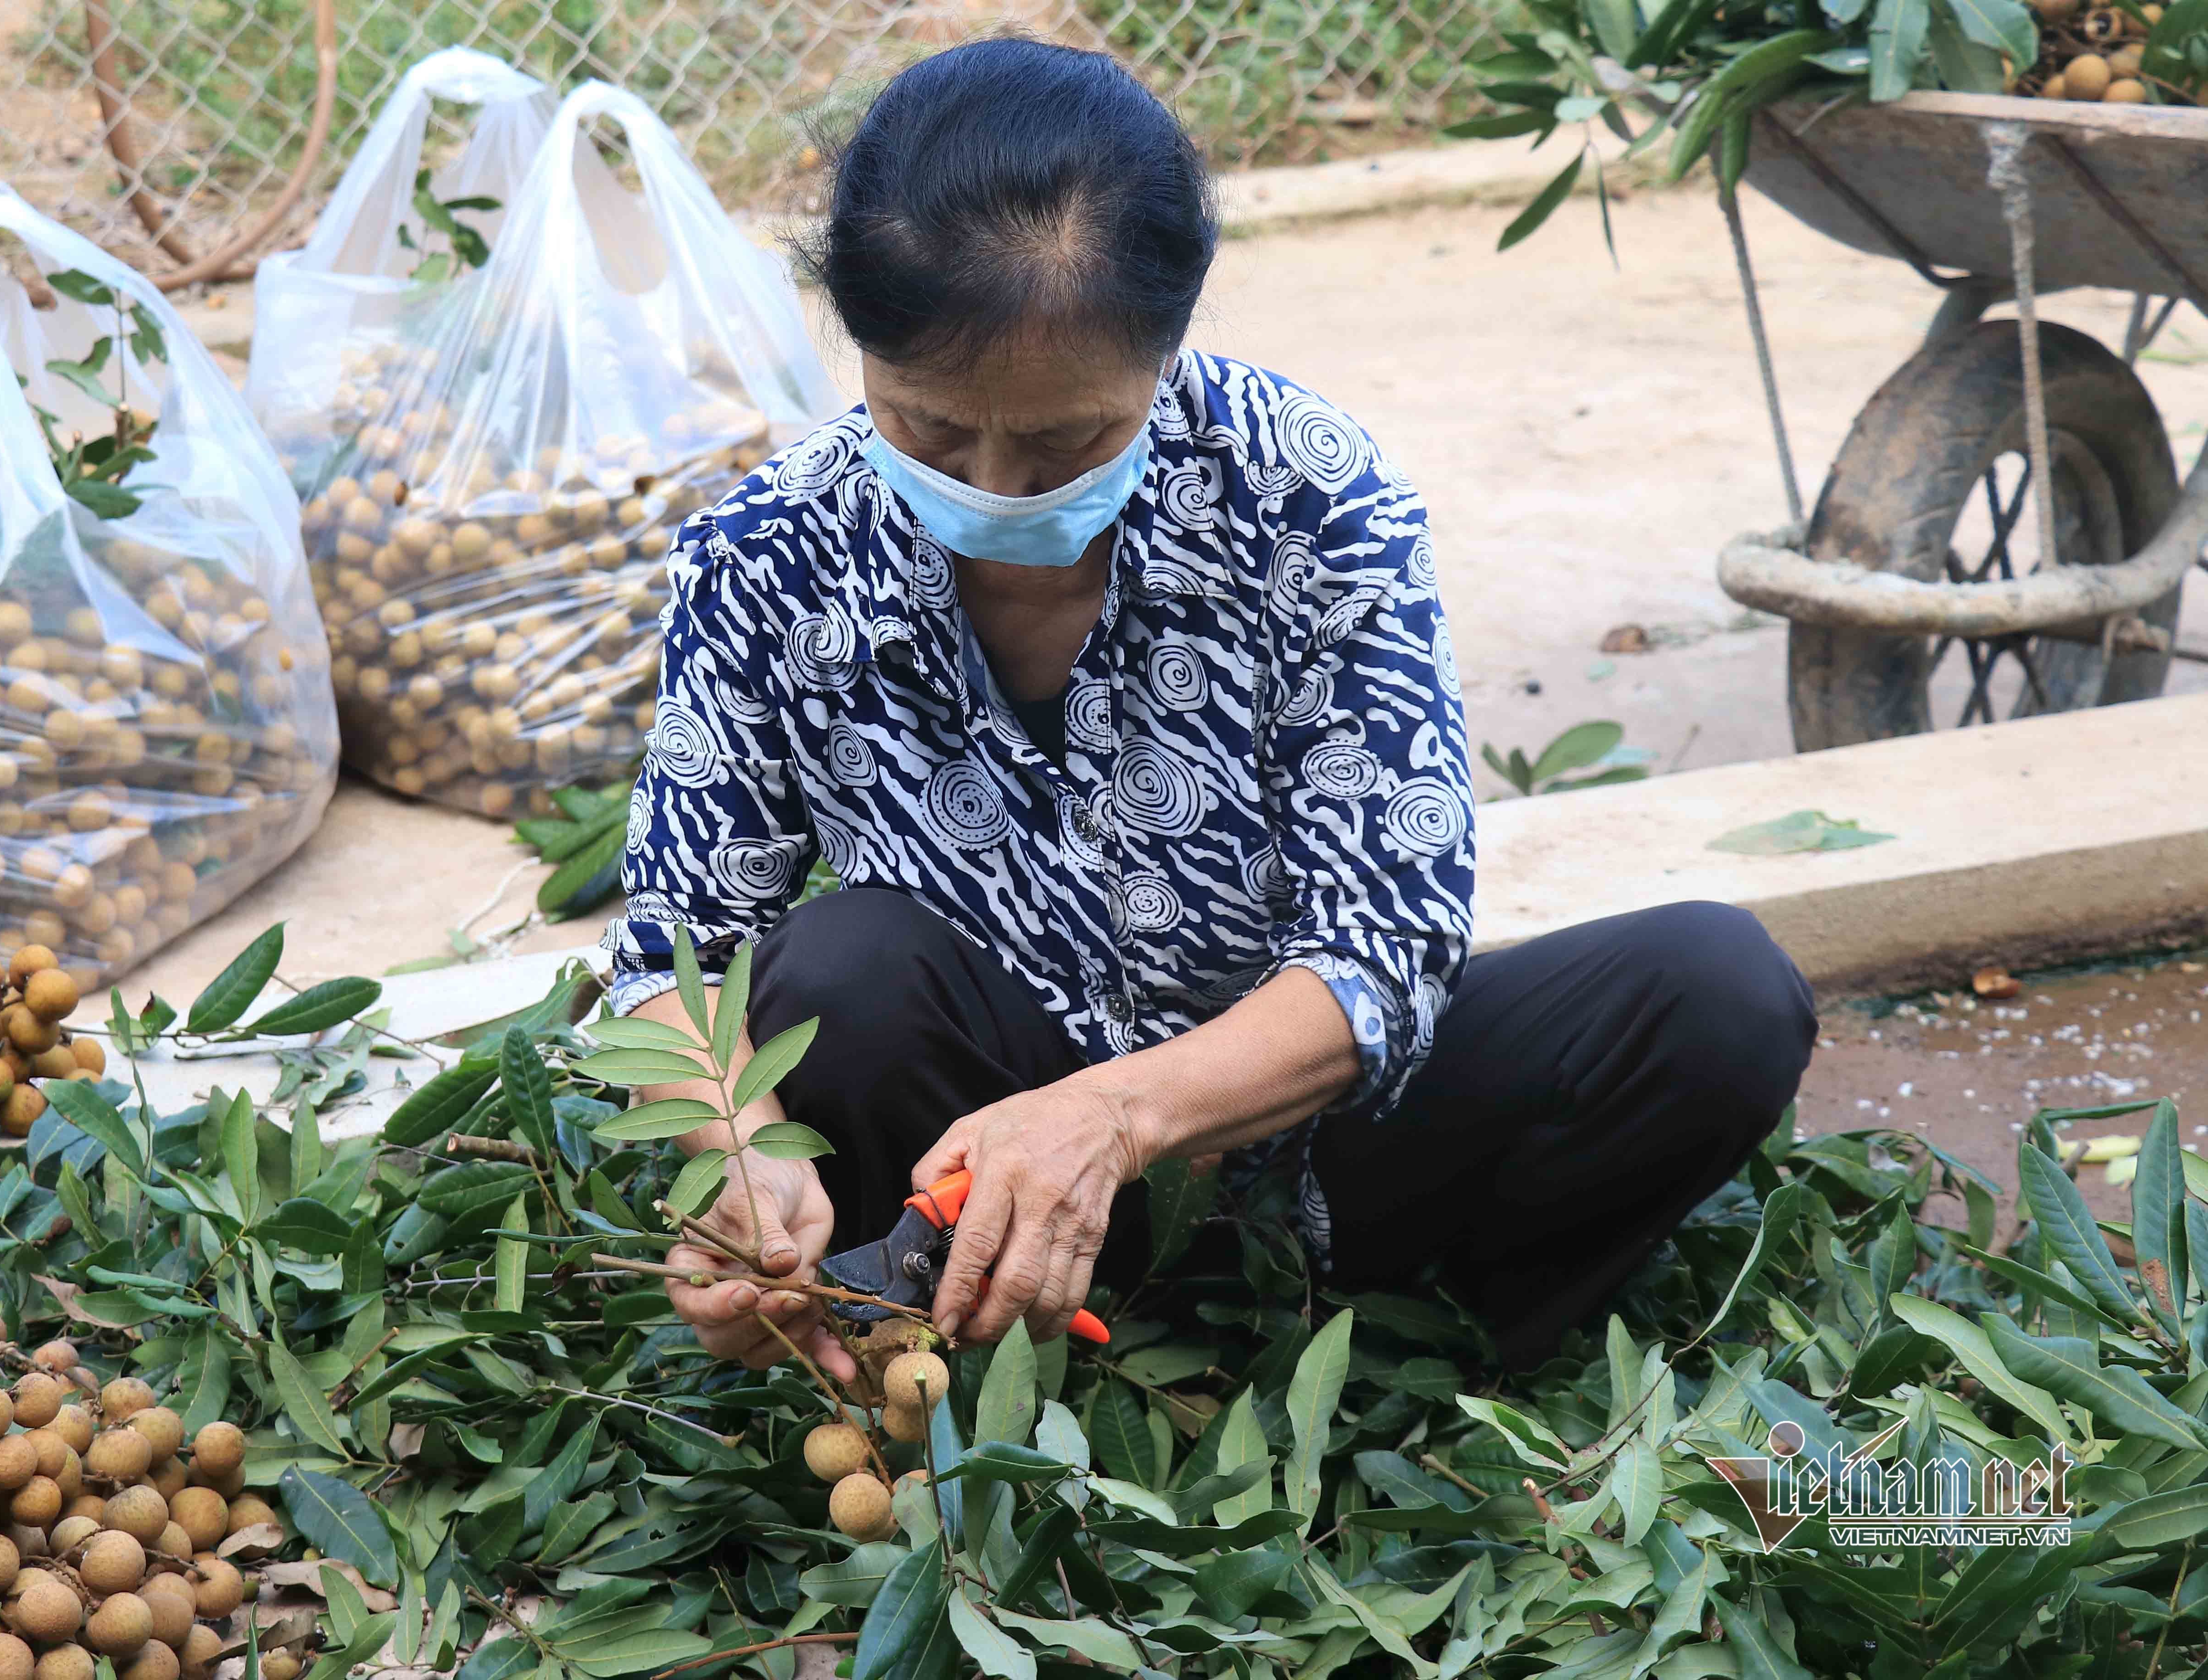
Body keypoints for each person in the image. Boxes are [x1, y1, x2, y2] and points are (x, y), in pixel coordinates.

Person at [603, 36, 1816, 1376]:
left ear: (1168, 347)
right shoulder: (769, 553)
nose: (998, 487)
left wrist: (1114, 1121)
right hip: (975, 1165)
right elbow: (675, 962)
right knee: (843, 971)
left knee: (1717, 992)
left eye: (1067, 441)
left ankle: (1442, 1345)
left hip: (1328, 1150)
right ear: (861, 348)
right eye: (933, 430)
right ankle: (952, 1321)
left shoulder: (1314, 500)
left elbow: (1385, 946)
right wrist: (735, 1157)